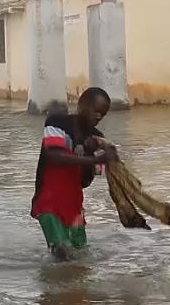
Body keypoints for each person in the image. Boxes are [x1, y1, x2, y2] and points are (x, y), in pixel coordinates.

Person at [30, 87, 119, 260]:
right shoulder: (57, 123)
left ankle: (73, 287)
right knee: (62, 251)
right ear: (82, 104)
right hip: (48, 201)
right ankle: (55, 287)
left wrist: (89, 152)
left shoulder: (97, 138)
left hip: (74, 205)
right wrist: (95, 160)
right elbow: (55, 155)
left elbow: (85, 182)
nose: (99, 117)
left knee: (80, 256)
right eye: (96, 110)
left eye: (103, 113)